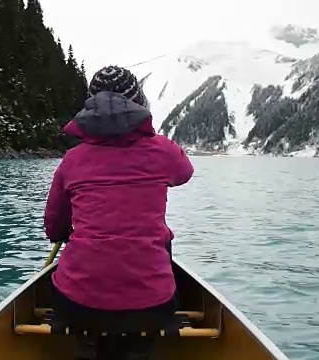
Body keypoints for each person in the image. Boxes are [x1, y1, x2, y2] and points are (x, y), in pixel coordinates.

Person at [43, 65, 194, 359]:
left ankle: (88, 342)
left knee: (77, 281)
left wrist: (65, 232)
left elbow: (54, 227)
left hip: (78, 304)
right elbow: (184, 173)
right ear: (138, 102)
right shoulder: (162, 150)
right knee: (162, 239)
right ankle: (137, 347)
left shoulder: (72, 160)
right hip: (150, 306)